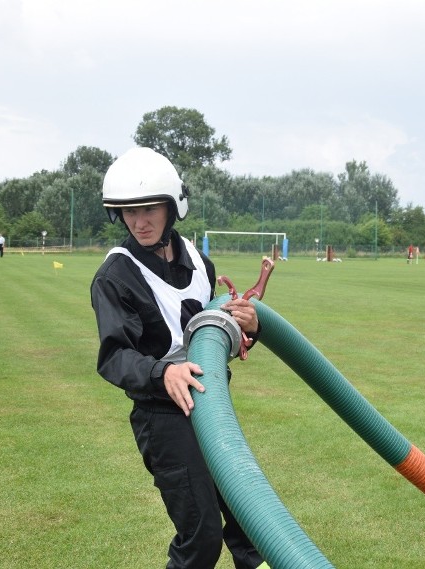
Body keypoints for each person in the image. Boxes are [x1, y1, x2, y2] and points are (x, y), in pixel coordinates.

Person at [90, 147, 269, 569]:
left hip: (214, 405)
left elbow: (214, 334)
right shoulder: (115, 275)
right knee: (201, 536)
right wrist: (162, 372)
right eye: (128, 212)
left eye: (149, 208)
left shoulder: (197, 260)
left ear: (173, 208)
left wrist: (247, 328)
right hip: (163, 418)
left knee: (253, 521)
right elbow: (115, 356)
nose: (140, 221)